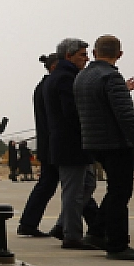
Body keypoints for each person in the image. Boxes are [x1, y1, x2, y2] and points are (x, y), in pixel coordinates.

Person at [74, 34, 134, 261]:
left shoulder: (83, 77)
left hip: (92, 141)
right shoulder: (111, 77)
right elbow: (126, 117)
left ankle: (97, 232)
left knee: (114, 192)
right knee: (121, 192)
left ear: (94, 52)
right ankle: (117, 244)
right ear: (119, 54)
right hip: (115, 143)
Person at [45, 39, 105, 251]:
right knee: (74, 191)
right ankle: (72, 236)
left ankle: (63, 225)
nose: (86, 58)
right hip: (71, 144)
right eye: (82, 55)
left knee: (87, 185)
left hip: (72, 143)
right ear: (69, 56)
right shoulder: (65, 79)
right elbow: (72, 112)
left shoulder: (62, 77)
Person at [17, 55, 62, 237]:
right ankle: (96, 225)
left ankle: (29, 223)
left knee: (49, 185)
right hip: (55, 145)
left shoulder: (43, 86)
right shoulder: (52, 85)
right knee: (77, 186)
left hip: (48, 144)